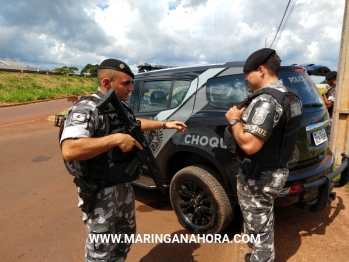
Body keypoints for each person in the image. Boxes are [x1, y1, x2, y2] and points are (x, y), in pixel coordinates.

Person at [60, 58, 187, 262]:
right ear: (107, 83)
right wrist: (115, 139)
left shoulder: (120, 107)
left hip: (122, 184)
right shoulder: (87, 108)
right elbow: (70, 149)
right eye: (125, 83)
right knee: (101, 248)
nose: (131, 88)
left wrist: (165, 124)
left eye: (132, 82)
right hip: (100, 189)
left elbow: (134, 124)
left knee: (124, 237)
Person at [225, 48, 302, 262]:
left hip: (259, 176)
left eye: (247, 73)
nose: (245, 78)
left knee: (259, 229)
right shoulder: (290, 95)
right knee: (262, 221)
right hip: (275, 170)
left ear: (260, 70)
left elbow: (249, 145)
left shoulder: (266, 101)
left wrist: (233, 120)